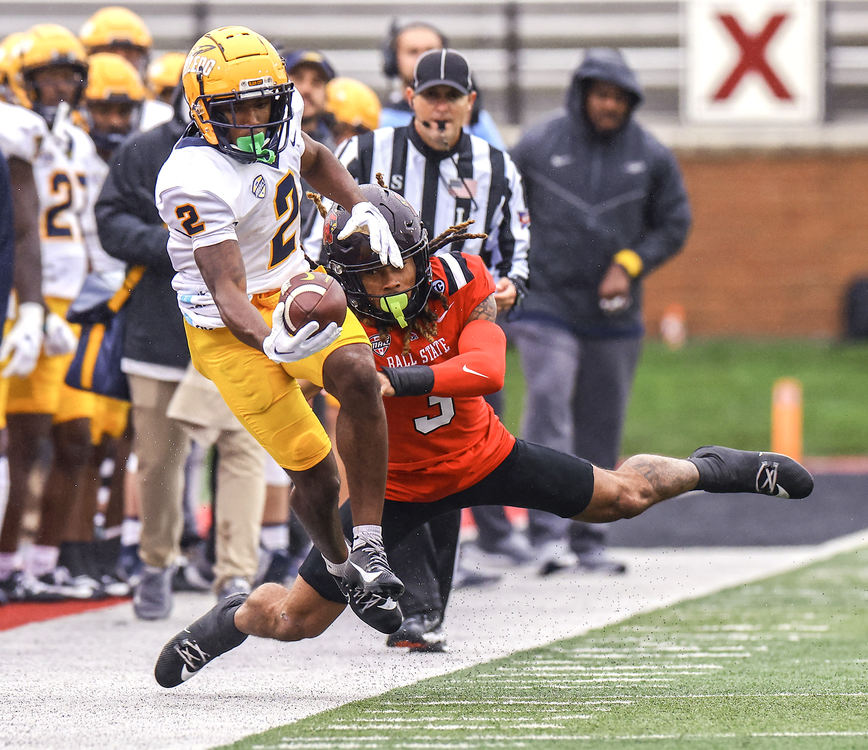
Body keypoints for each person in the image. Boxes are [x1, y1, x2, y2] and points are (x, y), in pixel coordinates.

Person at [152, 186, 813, 688]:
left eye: (402, 267)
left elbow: (487, 369)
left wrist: (394, 380)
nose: (395, 284)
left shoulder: (461, 278)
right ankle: (230, 619)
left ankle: (718, 466)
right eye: (377, 276)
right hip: (395, 491)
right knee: (294, 622)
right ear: (350, 282)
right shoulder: (327, 314)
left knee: (625, 495)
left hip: (482, 457)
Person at [153, 25, 406, 626]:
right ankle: (341, 565)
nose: (254, 118)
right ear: (201, 110)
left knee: (359, 375)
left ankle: (369, 542)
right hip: (225, 326)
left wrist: (358, 205)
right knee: (312, 470)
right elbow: (227, 291)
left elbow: (315, 158)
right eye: (236, 107)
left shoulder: (283, 129)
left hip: (296, 286)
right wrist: (272, 342)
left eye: (264, 103)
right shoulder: (192, 179)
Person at [304, 47, 531, 649]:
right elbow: (318, 228)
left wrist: (509, 289)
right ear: (411, 98)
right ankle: (378, 579)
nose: (439, 106)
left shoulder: (495, 164)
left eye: (451, 96)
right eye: (429, 94)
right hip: (369, 315)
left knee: (452, 450)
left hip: (450, 314)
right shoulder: (365, 152)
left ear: (468, 104)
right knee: (380, 448)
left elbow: (516, 247)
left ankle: (421, 602)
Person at [510, 47, 692, 575]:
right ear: (582, 94)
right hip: (545, 301)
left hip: (614, 313)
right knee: (549, 399)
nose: (609, 105)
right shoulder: (540, 146)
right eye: (600, 94)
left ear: (629, 102)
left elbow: (674, 223)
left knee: (600, 424)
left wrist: (630, 263)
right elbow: (506, 207)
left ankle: (590, 538)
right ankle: (546, 534)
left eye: (618, 97)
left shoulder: (651, 155)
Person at [379, 20, 505, 149]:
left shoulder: (477, 119)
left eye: (430, 50)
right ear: (394, 60)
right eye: (413, 51)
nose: (423, 57)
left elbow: (498, 161)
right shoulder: (381, 120)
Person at [78, 5, 173, 130]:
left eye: (130, 53)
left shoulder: (160, 116)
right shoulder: (72, 115)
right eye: (110, 51)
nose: (121, 60)